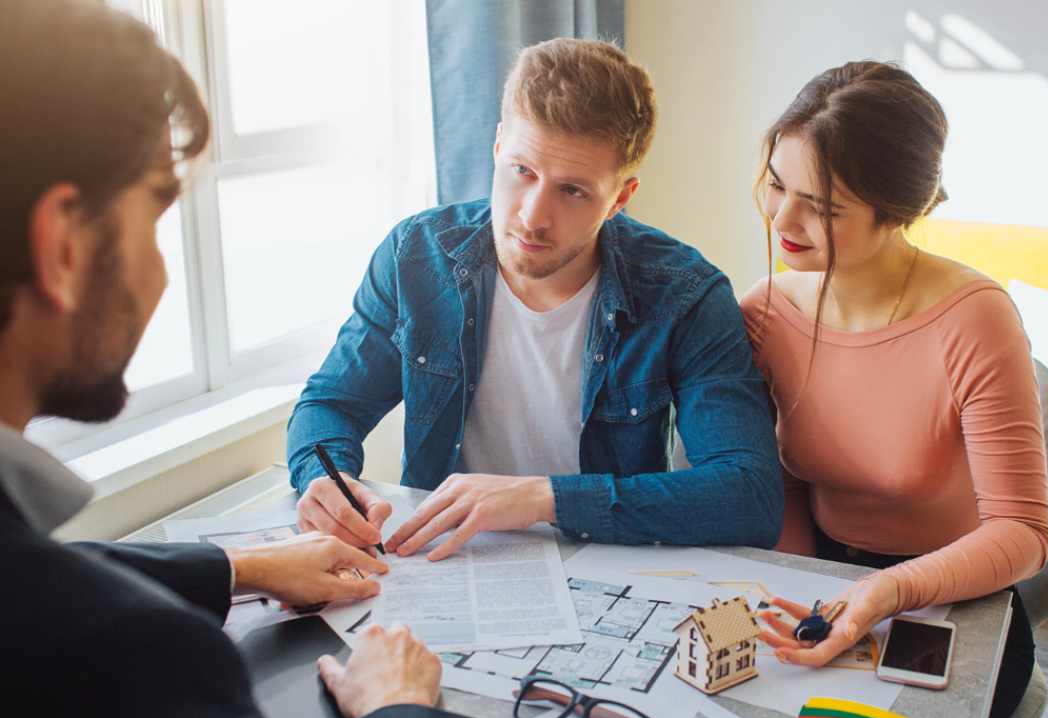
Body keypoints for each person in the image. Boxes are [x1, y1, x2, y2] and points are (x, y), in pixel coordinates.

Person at [0, 2, 502, 718]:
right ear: (64, 246)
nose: (162, 276)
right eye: (155, 217)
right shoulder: (147, 666)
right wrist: (398, 715)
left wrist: (240, 565)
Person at [287, 38, 783, 560]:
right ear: (499, 146)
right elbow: (330, 403)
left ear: (621, 197)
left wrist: (542, 498)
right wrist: (326, 478)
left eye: (572, 191)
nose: (531, 216)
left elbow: (749, 495)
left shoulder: (684, 292)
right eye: (522, 171)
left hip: (607, 564)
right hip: (445, 562)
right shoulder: (415, 256)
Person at [740, 61, 1048, 718]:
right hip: (824, 575)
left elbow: (1025, 535)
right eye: (775, 185)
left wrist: (887, 592)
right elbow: (785, 480)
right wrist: (803, 583)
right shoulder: (764, 315)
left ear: (897, 211)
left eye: (821, 206)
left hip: (957, 599)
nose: (784, 219)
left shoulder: (974, 318)